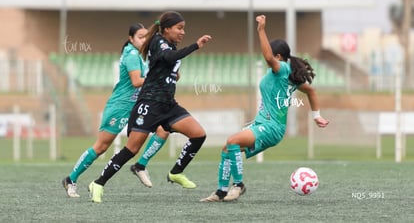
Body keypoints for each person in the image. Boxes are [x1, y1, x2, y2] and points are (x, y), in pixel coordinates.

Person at [200, 14, 329, 202]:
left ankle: (238, 186)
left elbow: (268, 57)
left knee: (232, 140)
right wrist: (316, 115)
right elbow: (311, 91)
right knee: (227, 148)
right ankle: (220, 192)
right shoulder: (288, 76)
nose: (267, 56)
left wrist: (261, 30)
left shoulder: (282, 68)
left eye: (272, 54)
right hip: (265, 124)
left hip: (271, 127)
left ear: (279, 57)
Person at [88, 11, 212, 203]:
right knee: (131, 149)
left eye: (184, 28)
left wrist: (171, 75)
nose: (183, 32)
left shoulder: (170, 45)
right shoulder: (158, 41)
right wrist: (196, 45)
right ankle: (98, 183)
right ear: (167, 29)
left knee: (198, 134)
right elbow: (168, 57)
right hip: (149, 104)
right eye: (179, 28)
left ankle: (176, 172)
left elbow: (168, 64)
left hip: (169, 105)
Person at [62, 23, 169, 197]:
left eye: (145, 37)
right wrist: (159, 76)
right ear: (130, 39)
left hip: (137, 105)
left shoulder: (141, 54)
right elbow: (136, 81)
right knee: (101, 147)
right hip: (120, 106)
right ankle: (71, 179)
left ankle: (140, 165)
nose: (143, 40)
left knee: (163, 129)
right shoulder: (132, 54)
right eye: (140, 37)